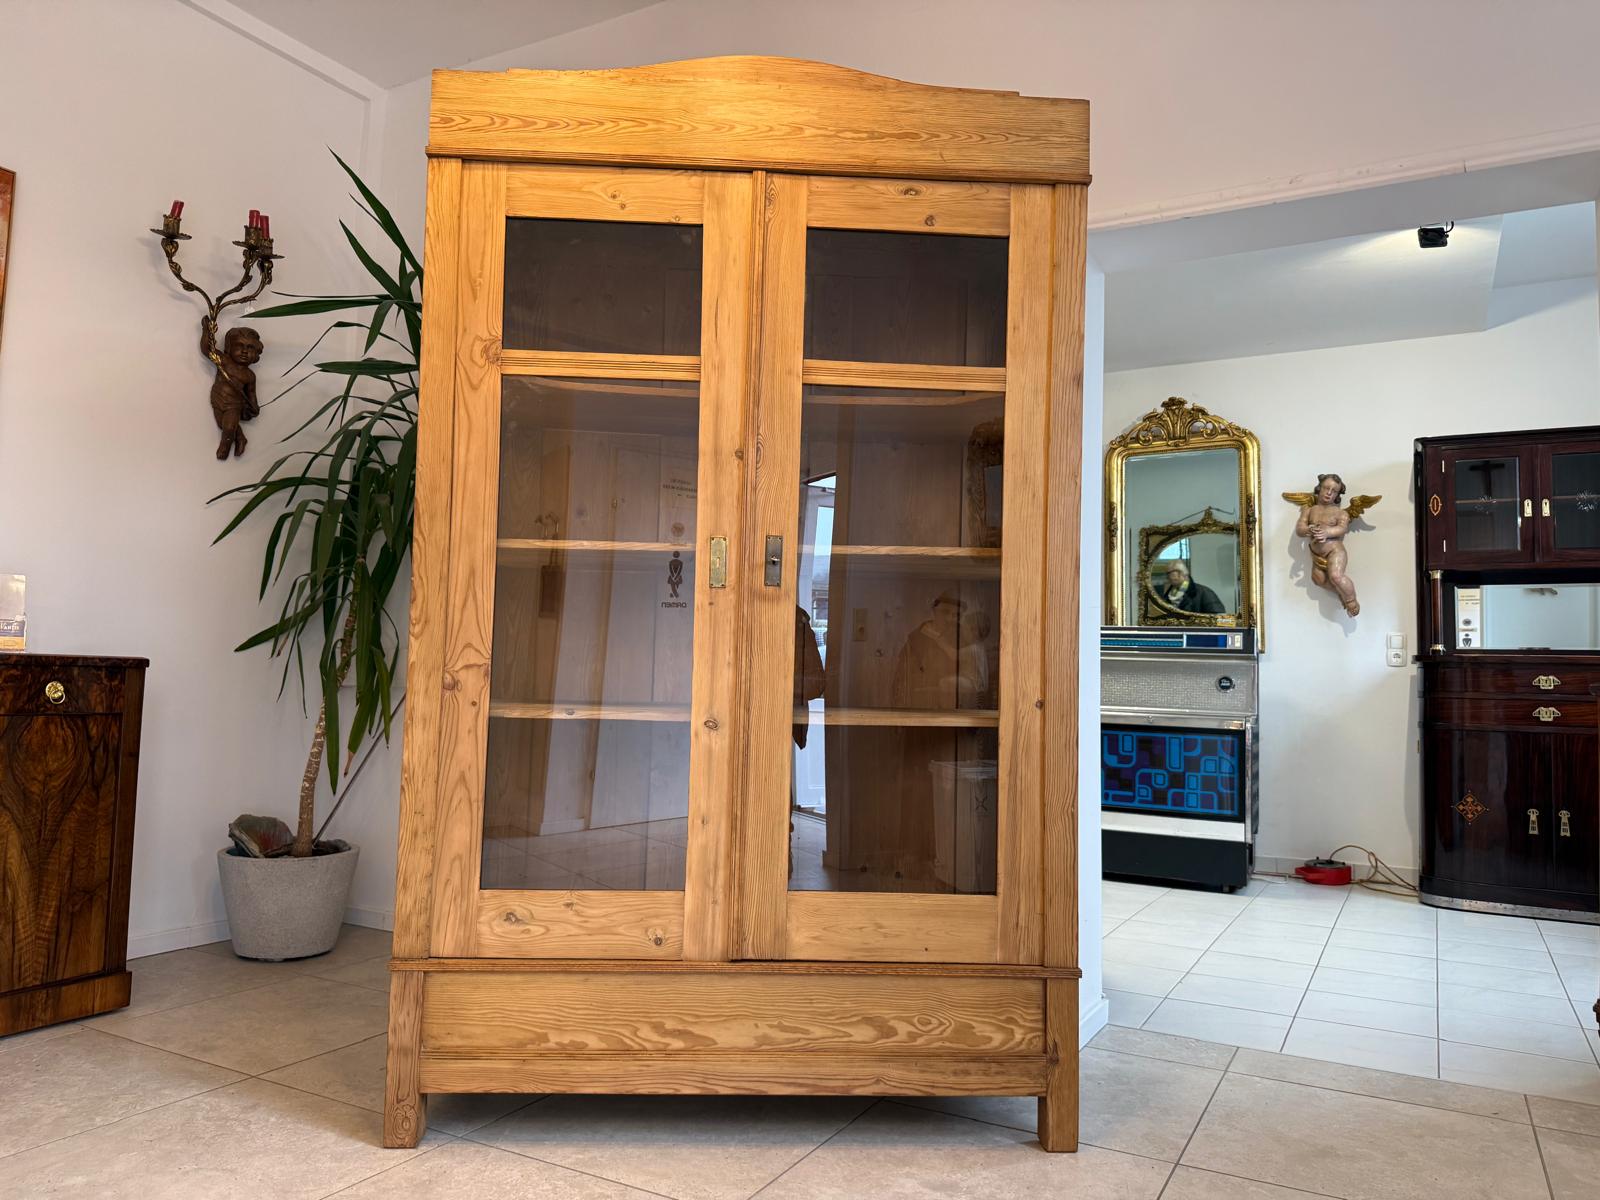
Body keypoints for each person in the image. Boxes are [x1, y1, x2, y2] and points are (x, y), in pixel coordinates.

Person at [1159, 562, 1225, 614]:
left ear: (1180, 574)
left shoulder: (1204, 592)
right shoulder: (1168, 594)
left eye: (1168, 573)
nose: (1167, 577)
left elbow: (1220, 620)